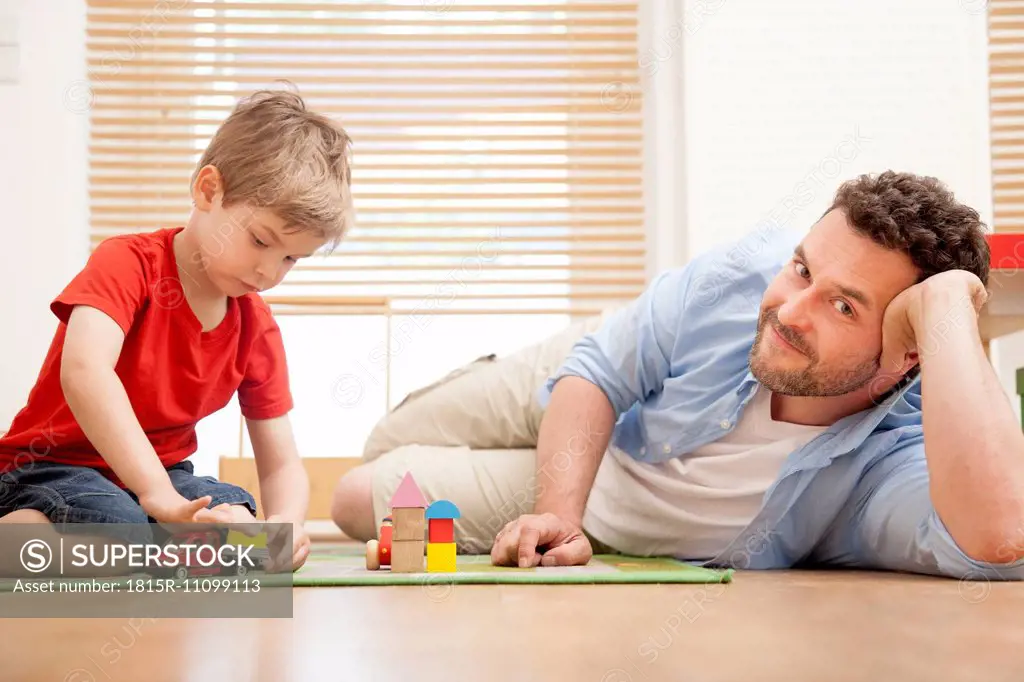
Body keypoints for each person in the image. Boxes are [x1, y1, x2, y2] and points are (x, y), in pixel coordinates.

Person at [332, 171, 1024, 580]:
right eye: (804, 269)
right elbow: (600, 371)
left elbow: (1001, 543)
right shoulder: (741, 279)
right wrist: (556, 514)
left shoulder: (891, 462)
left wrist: (945, 311)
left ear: (908, 349)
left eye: (844, 306)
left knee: (358, 495)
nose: (789, 309)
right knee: (389, 436)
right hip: (593, 383)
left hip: (616, 502)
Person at [0, 88, 353, 571]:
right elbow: (83, 371)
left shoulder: (255, 324)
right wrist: (154, 494)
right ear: (208, 190)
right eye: (259, 241)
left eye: (290, 258)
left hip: (165, 477)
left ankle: (150, 548)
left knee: (236, 515)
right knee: (116, 525)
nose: (269, 272)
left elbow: (281, 459)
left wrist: (286, 525)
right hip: (50, 468)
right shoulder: (127, 263)